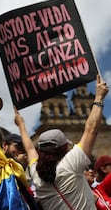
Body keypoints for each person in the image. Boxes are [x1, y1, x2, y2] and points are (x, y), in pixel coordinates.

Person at [17, 75, 109, 210]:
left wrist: (21, 126)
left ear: (41, 152)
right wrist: (99, 98)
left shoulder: (37, 176)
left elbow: (30, 150)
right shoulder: (70, 165)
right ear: (64, 148)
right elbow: (91, 130)